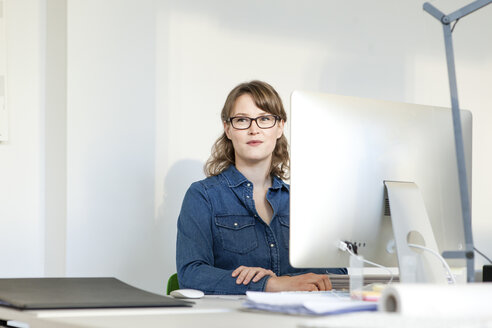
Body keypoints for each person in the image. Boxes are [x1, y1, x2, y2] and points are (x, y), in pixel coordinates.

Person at [176, 80, 346, 294]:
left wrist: (286, 281)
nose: (254, 129)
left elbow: (337, 272)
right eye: (242, 120)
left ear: (280, 127)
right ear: (228, 129)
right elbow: (191, 275)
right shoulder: (203, 196)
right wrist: (269, 285)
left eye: (264, 119)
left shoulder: (302, 202)